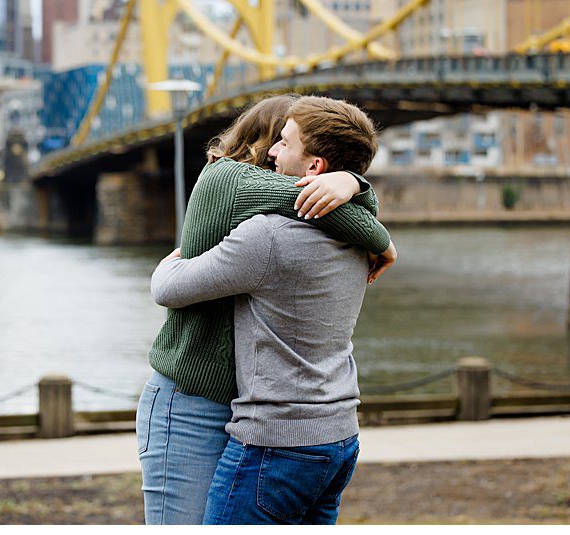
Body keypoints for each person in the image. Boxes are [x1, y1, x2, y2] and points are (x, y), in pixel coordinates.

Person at [136, 95, 392, 525]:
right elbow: (341, 210)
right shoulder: (227, 180)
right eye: (276, 138)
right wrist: (365, 209)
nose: (275, 151)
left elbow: (167, 287)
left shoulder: (270, 232)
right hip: (192, 402)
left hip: (259, 418)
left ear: (315, 165)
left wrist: (350, 187)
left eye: (285, 142)